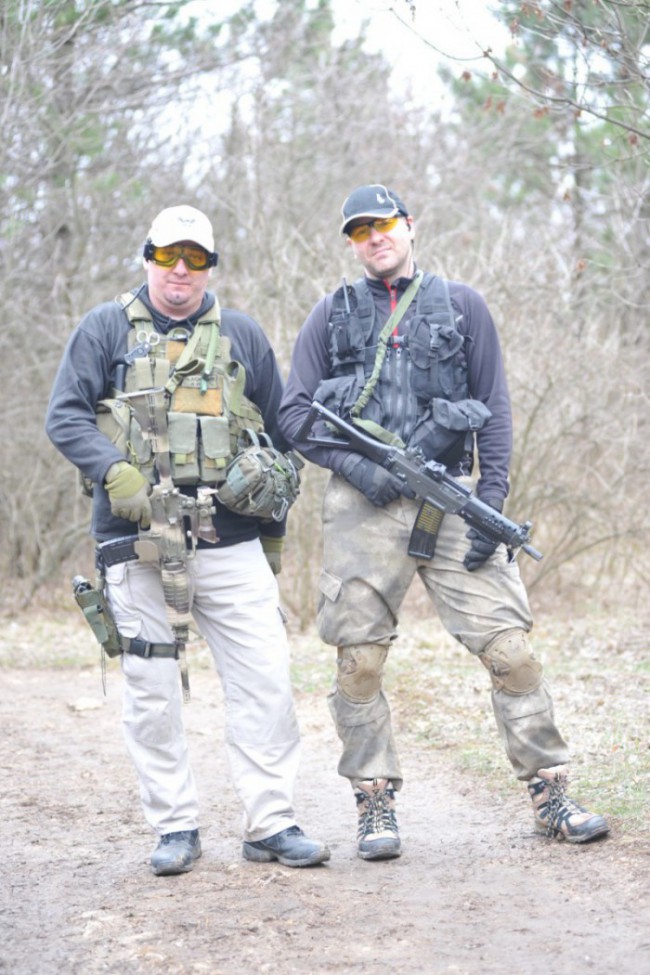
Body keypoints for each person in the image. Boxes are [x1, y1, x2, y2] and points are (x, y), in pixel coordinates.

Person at [278, 183, 609, 861]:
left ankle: (551, 792)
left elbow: (494, 405)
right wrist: (360, 468)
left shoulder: (462, 305)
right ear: (352, 244)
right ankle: (374, 801)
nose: (374, 237)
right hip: (363, 505)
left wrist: (493, 501)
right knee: (359, 661)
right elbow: (294, 415)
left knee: (511, 651)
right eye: (360, 230)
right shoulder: (330, 314)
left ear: (410, 225)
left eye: (384, 224)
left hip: (452, 495)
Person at [46, 204, 330, 875]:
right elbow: (65, 415)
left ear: (210, 266)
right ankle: (175, 825)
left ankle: (271, 822)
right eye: (168, 255)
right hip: (137, 541)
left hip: (231, 541)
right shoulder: (104, 328)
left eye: (195, 258)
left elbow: (282, 435)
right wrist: (112, 470)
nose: (180, 269)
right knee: (152, 689)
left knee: (266, 679)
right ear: (147, 257)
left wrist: (274, 507)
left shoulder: (242, 334)